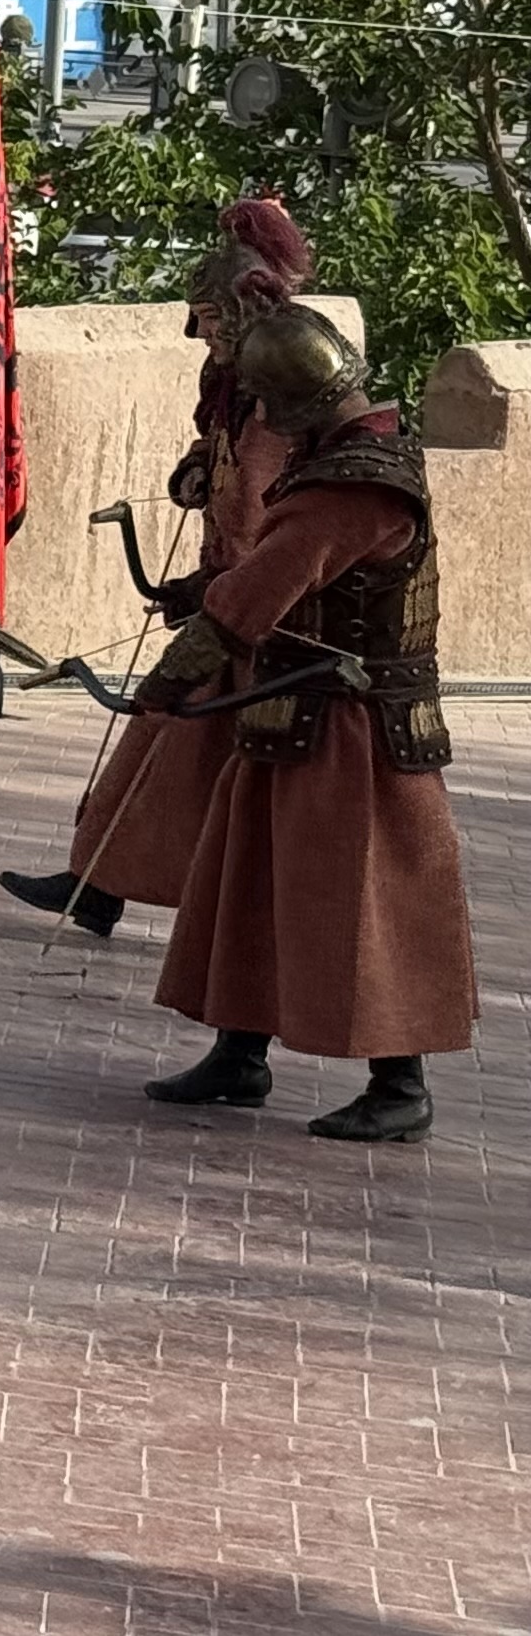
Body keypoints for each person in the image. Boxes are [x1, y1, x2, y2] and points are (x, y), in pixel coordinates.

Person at [132, 304, 473, 1142]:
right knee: (252, 881)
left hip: (354, 730)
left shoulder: (353, 481)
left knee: (364, 904)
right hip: (299, 707)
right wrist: (202, 595)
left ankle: (401, 1086)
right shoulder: (346, 456)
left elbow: (265, 587)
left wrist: (169, 678)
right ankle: (239, 1053)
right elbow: (281, 574)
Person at [0, 198, 315, 936]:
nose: (199, 332)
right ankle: (97, 883)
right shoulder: (240, 386)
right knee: (161, 742)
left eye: (208, 318)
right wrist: (195, 469)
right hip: (232, 604)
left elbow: (262, 520)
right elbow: (224, 464)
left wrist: (210, 588)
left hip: (261, 624)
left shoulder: (277, 399)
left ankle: (135, 892)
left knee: (215, 766)